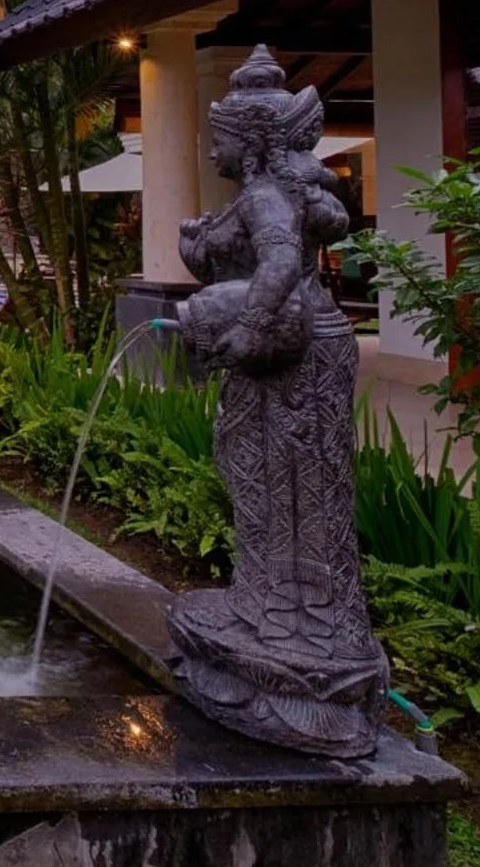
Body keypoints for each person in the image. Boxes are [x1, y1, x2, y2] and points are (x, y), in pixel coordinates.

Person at [170, 45, 388, 757]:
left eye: (222, 138)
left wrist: (248, 329)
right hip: (299, 349)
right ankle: (275, 607)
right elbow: (268, 252)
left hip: (292, 353)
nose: (213, 149)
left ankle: (301, 634)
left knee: (291, 481)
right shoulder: (278, 192)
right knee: (272, 477)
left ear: (253, 142)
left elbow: (281, 263)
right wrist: (200, 244)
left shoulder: (266, 195)